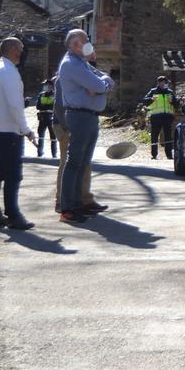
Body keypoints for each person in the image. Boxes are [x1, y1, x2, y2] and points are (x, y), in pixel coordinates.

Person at [57, 29, 113, 224]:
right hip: (79, 116)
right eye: (86, 40)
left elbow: (105, 79)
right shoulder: (72, 64)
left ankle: (77, 203)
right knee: (75, 163)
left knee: (82, 163)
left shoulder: (82, 63)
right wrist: (100, 86)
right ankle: (68, 208)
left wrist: (101, 85)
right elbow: (98, 85)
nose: (89, 42)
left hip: (88, 116)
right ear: (75, 45)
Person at [0, 38, 35, 230]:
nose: (22, 52)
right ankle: (12, 215)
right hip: (7, 132)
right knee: (13, 175)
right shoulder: (9, 72)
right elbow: (14, 105)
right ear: (12, 50)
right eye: (20, 49)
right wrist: (26, 129)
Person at [51, 73, 104, 214]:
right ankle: (61, 201)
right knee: (67, 163)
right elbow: (60, 105)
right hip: (66, 125)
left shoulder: (81, 75)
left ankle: (84, 199)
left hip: (79, 124)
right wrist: (67, 127)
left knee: (85, 163)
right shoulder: (65, 76)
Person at [143, 76, 178, 160]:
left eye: (165, 82)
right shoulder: (153, 91)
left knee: (168, 136)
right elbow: (144, 101)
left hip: (167, 117)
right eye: (162, 82)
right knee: (154, 136)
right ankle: (154, 154)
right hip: (156, 117)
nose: (164, 84)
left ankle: (169, 155)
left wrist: (172, 101)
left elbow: (177, 104)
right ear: (159, 83)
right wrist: (151, 99)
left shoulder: (169, 92)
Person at [35, 79, 56, 157]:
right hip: (42, 118)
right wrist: (46, 107)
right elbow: (37, 106)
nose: (44, 86)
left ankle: (54, 154)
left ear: (51, 86)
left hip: (51, 118)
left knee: (53, 137)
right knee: (41, 136)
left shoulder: (54, 95)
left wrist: (44, 107)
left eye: (46, 85)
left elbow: (53, 106)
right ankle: (39, 153)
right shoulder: (41, 94)